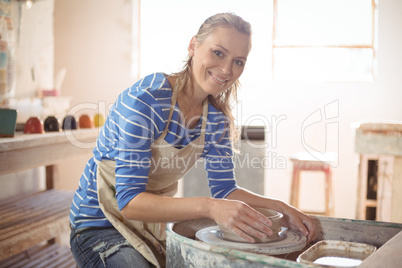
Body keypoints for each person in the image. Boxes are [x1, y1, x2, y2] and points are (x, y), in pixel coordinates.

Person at [69, 12, 315, 268]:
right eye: (218, 53)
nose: (227, 70)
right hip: (97, 226)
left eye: (238, 61)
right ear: (193, 46)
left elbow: (225, 191)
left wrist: (283, 209)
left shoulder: (217, 120)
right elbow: (130, 202)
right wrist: (210, 207)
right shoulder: (146, 102)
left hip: (151, 229)